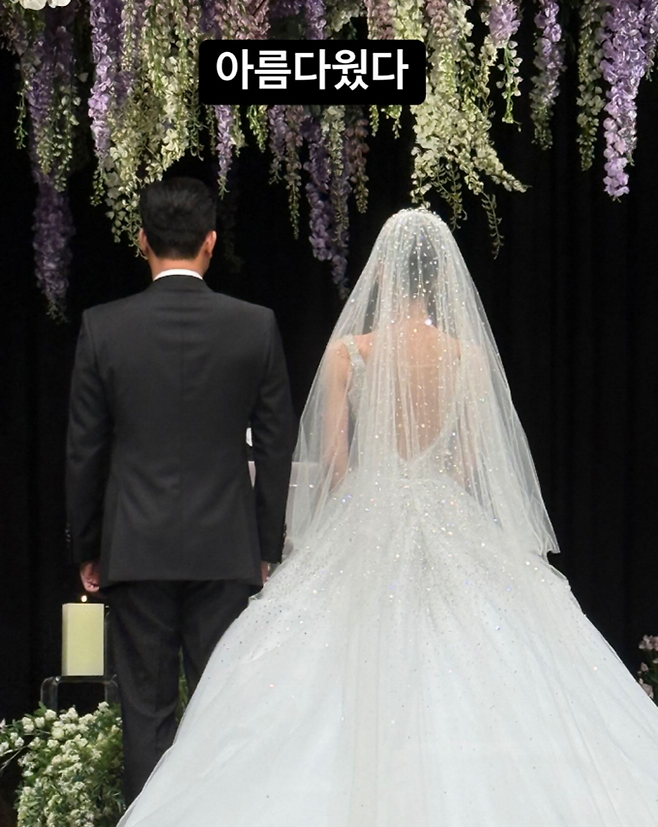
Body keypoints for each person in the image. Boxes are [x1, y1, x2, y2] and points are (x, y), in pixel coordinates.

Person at [117, 208, 658, 826]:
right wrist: (429, 489)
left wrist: (356, 508)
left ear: (383, 276)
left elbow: (334, 464)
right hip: (446, 513)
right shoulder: (468, 358)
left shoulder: (350, 354)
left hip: (367, 515)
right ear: (440, 280)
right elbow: (470, 462)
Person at [65, 177, 296, 805]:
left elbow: (85, 451)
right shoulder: (254, 326)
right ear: (210, 242)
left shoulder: (103, 328)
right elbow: (276, 447)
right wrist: (265, 546)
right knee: (225, 711)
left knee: (145, 714)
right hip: (225, 549)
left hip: (136, 547)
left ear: (142, 240)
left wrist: (89, 547)